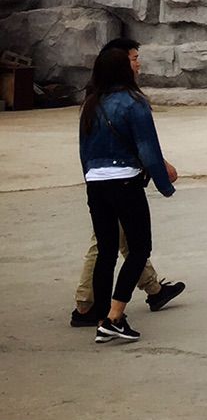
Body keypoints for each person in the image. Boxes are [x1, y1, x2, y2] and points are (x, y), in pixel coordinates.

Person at [71, 37, 185, 326]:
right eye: (133, 59)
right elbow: (147, 148)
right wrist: (164, 184)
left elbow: (84, 150)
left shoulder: (91, 103)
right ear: (123, 67)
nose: (138, 64)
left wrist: (90, 179)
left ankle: (100, 316)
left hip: (96, 183)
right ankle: (114, 316)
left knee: (106, 251)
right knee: (138, 249)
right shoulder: (134, 103)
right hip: (124, 182)